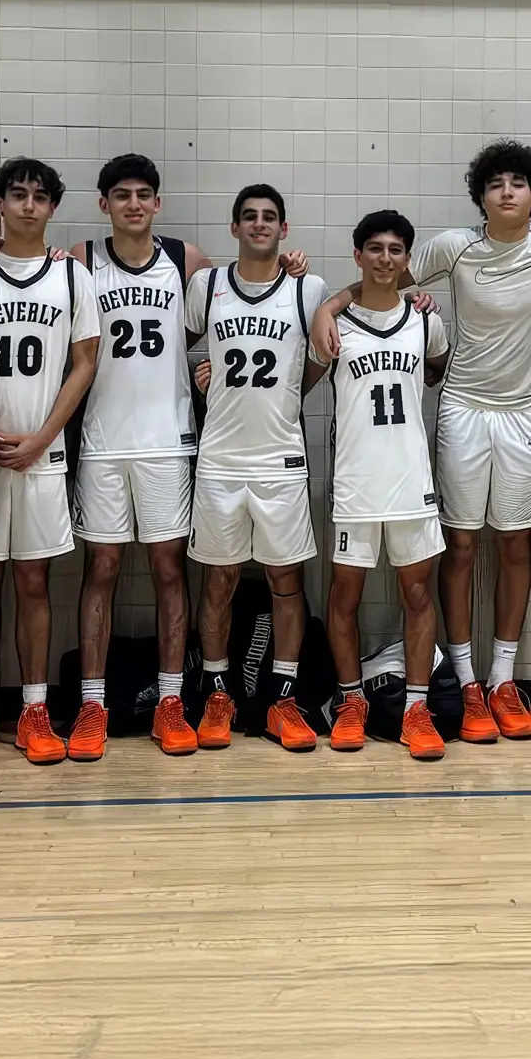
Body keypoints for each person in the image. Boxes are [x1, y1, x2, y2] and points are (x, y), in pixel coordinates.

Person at [309, 139, 531, 744]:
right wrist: (332, 303)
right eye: (496, 184)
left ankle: (502, 679)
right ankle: (464, 681)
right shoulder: (455, 248)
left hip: (523, 412)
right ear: (481, 195)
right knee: (458, 547)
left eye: (518, 183)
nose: (507, 192)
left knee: (514, 544)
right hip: (463, 408)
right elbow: (382, 276)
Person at [72, 155, 213, 758]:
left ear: (158, 203)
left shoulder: (190, 261)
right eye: (121, 194)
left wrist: (295, 269)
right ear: (104, 203)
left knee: (168, 570)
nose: (134, 203)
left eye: (144, 194)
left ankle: (172, 700)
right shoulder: (78, 260)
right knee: (101, 568)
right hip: (101, 439)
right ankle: (92, 706)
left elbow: (249, 295)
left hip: (167, 439)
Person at [0, 159, 98, 765]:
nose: (26, 206)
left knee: (33, 581)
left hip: (43, 453)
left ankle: (36, 709)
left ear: (52, 209)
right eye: (16, 195)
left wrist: (45, 435)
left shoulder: (73, 278)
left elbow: (85, 364)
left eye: (39, 198)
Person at [187, 184, 327, 753]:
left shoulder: (308, 288)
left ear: (284, 230)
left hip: (280, 458)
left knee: (285, 581)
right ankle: (218, 690)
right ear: (235, 228)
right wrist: (199, 377)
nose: (260, 225)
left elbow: (321, 356)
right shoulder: (208, 286)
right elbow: (175, 347)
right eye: (249, 217)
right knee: (218, 578)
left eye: (270, 217)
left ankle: (283, 697)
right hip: (220, 456)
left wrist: (292, 394)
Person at [318, 210, 450, 762]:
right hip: (355, 482)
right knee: (344, 596)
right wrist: (328, 305)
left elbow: (438, 370)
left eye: (397, 250)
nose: (385, 258)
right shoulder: (333, 324)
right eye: (375, 248)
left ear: (407, 259)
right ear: (358, 255)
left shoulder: (425, 322)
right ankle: (351, 702)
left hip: (410, 481)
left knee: (418, 595)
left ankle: (417, 709)